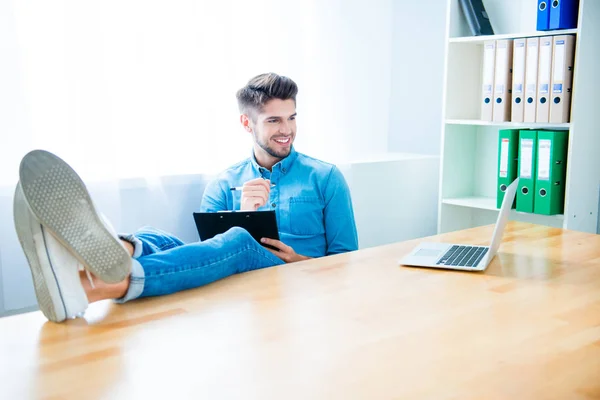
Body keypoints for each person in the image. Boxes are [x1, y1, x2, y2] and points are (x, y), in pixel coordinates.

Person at [13, 72, 358, 324]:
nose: (287, 130)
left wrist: (296, 259)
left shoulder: (325, 177)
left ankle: (100, 285)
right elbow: (203, 255)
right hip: (237, 281)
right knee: (157, 236)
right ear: (246, 123)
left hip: (294, 281)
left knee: (237, 239)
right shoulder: (224, 183)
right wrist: (243, 213)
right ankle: (105, 253)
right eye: (274, 120)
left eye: (292, 117)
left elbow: (348, 263)